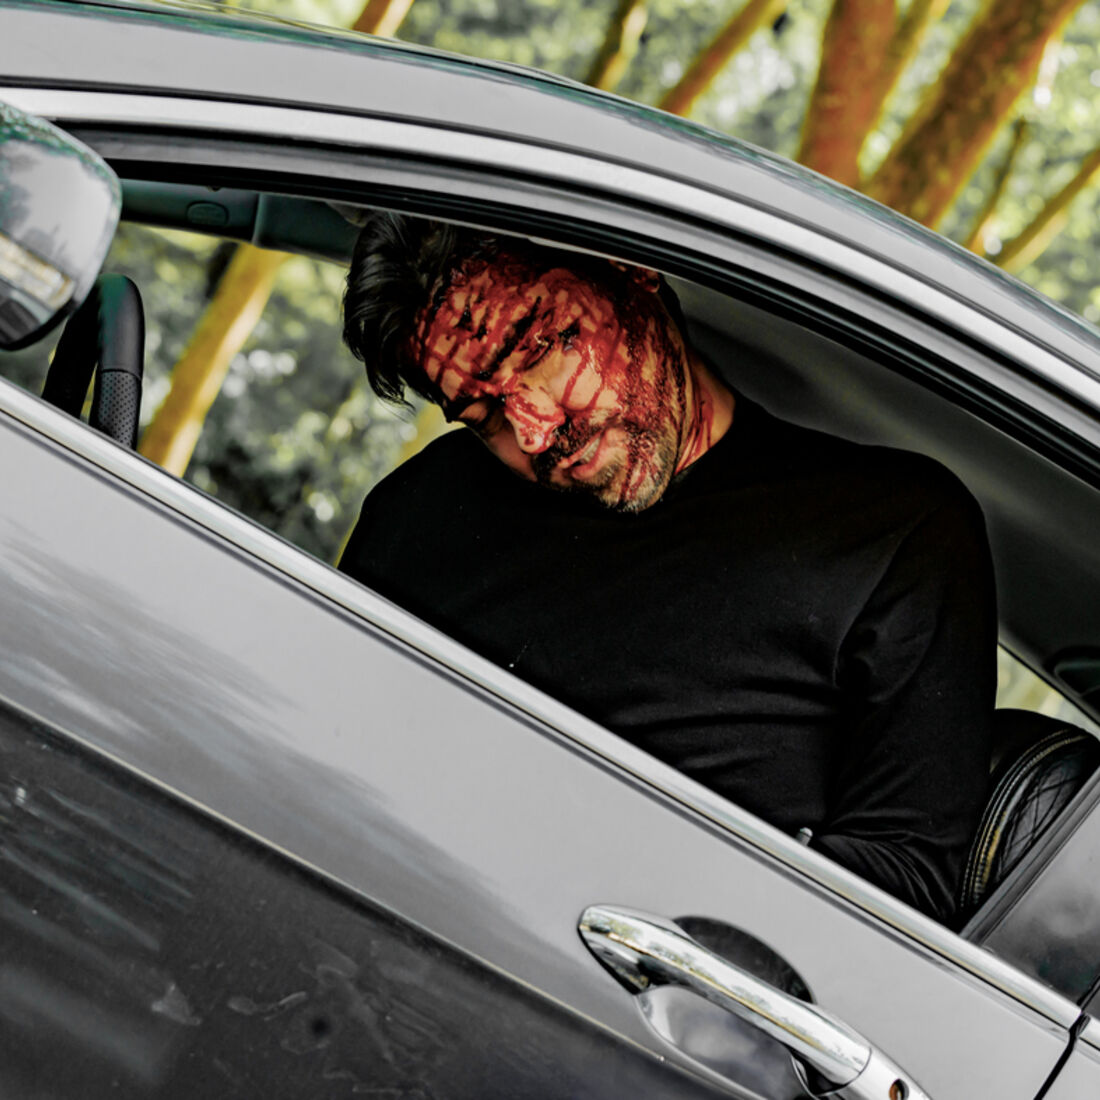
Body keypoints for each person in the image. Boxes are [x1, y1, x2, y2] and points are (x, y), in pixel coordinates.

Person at [339, 212, 997, 922]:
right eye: (482, 416)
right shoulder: (414, 522)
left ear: (632, 268)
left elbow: (903, 886)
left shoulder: (893, 529)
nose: (533, 432)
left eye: (539, 350)